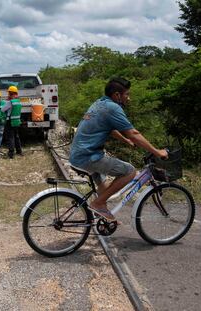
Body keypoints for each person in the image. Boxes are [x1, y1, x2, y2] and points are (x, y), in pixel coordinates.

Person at [69, 77, 168, 221]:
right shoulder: (113, 108)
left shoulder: (100, 103)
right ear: (117, 95)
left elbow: (109, 129)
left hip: (78, 154)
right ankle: (98, 204)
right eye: (127, 94)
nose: (129, 98)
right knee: (130, 171)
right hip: (88, 157)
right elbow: (134, 133)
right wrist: (158, 152)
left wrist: (125, 140)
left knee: (105, 187)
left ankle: (102, 217)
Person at [2, 85, 22, 158]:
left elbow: (2, 109)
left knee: (10, 137)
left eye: (9, 93)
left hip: (10, 122)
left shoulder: (10, 102)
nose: (8, 94)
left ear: (10, 93)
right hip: (17, 121)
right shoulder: (19, 102)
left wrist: (6, 101)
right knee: (16, 136)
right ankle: (19, 151)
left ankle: (11, 153)